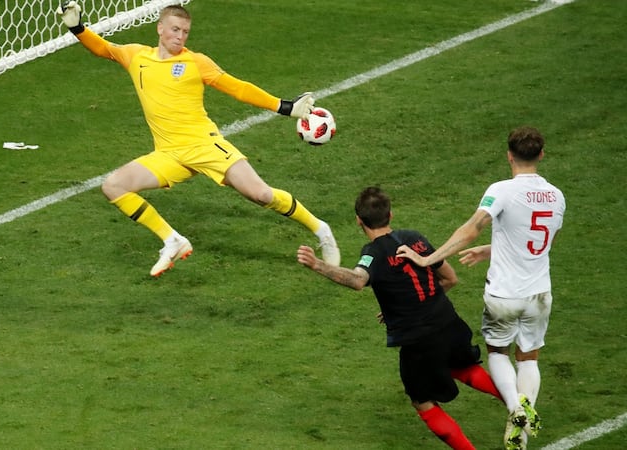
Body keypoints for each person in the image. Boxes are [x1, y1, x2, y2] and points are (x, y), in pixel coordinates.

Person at [56, 1, 340, 277]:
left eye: (185, 32)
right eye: (175, 30)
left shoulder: (195, 62)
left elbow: (237, 88)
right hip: (169, 154)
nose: (180, 37)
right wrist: (78, 28)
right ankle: (172, 240)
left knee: (261, 194)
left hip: (206, 146)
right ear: (160, 29)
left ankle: (321, 229)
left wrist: (285, 107)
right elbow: (104, 48)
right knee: (113, 186)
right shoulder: (136, 56)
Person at [396, 126, 565, 450]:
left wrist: (428, 258)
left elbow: (471, 229)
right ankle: (521, 434)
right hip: (540, 293)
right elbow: (541, 244)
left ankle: (516, 408)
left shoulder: (501, 190)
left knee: (498, 353)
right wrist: (492, 249)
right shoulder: (557, 196)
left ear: (509, 156)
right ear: (541, 155)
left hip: (503, 293)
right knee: (529, 359)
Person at [297, 186, 502, 450]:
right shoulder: (414, 238)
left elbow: (358, 280)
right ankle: (518, 405)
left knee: (423, 401)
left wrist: (318, 265)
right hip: (449, 322)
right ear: (390, 215)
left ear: (359, 220)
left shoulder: (372, 252)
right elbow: (450, 279)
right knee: (464, 366)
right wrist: (406, 305)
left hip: (418, 340)